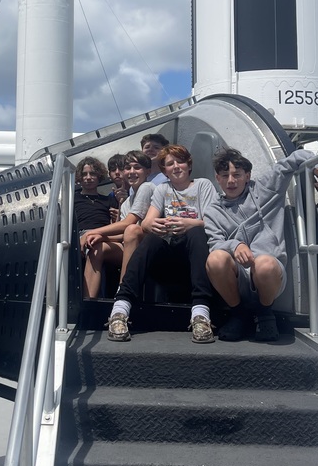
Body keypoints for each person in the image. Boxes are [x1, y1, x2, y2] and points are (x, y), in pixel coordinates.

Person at [205, 147, 318, 342]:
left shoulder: (265, 188)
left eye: (237, 174)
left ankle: (264, 313)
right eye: (225, 175)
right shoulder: (213, 211)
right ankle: (238, 314)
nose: (231, 181)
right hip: (238, 276)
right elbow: (215, 243)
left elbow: (293, 159)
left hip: (268, 273)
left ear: (247, 175)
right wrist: (235, 245)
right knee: (215, 259)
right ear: (217, 178)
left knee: (265, 264)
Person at [107, 144, 219, 344]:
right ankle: (120, 309)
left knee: (196, 233)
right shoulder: (162, 189)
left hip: (195, 257)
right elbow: (148, 222)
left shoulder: (203, 185)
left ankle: (201, 315)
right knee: (150, 238)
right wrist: (156, 225)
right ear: (165, 170)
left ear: (189, 165)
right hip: (168, 259)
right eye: (170, 163)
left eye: (180, 161)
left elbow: (214, 221)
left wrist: (189, 223)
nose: (176, 166)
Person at [82, 151, 154, 280]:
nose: (132, 172)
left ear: (148, 172)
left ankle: (123, 290)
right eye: (127, 168)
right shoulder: (127, 202)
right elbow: (122, 234)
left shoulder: (147, 187)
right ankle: (89, 298)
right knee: (98, 248)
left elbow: (128, 224)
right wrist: (100, 237)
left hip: (149, 244)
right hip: (128, 243)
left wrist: (90, 233)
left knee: (132, 230)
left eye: (137, 167)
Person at [74, 157, 122, 300]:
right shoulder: (73, 199)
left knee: (97, 247)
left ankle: (94, 300)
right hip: (81, 235)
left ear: (99, 176)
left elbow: (116, 226)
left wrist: (118, 213)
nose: (88, 178)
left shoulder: (108, 200)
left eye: (92, 174)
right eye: (84, 174)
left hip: (104, 236)